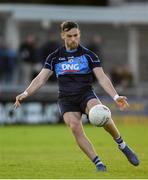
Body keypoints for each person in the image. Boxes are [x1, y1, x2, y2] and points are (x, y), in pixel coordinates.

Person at [14, 21, 139, 172]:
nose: (73, 39)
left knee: (100, 112)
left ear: (79, 35)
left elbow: (102, 77)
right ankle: (98, 163)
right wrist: (25, 93)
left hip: (85, 94)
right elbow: (40, 79)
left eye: (76, 35)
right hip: (66, 99)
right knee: (75, 127)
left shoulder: (88, 55)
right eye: (70, 36)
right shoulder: (55, 57)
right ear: (63, 36)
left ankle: (122, 145)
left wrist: (115, 96)